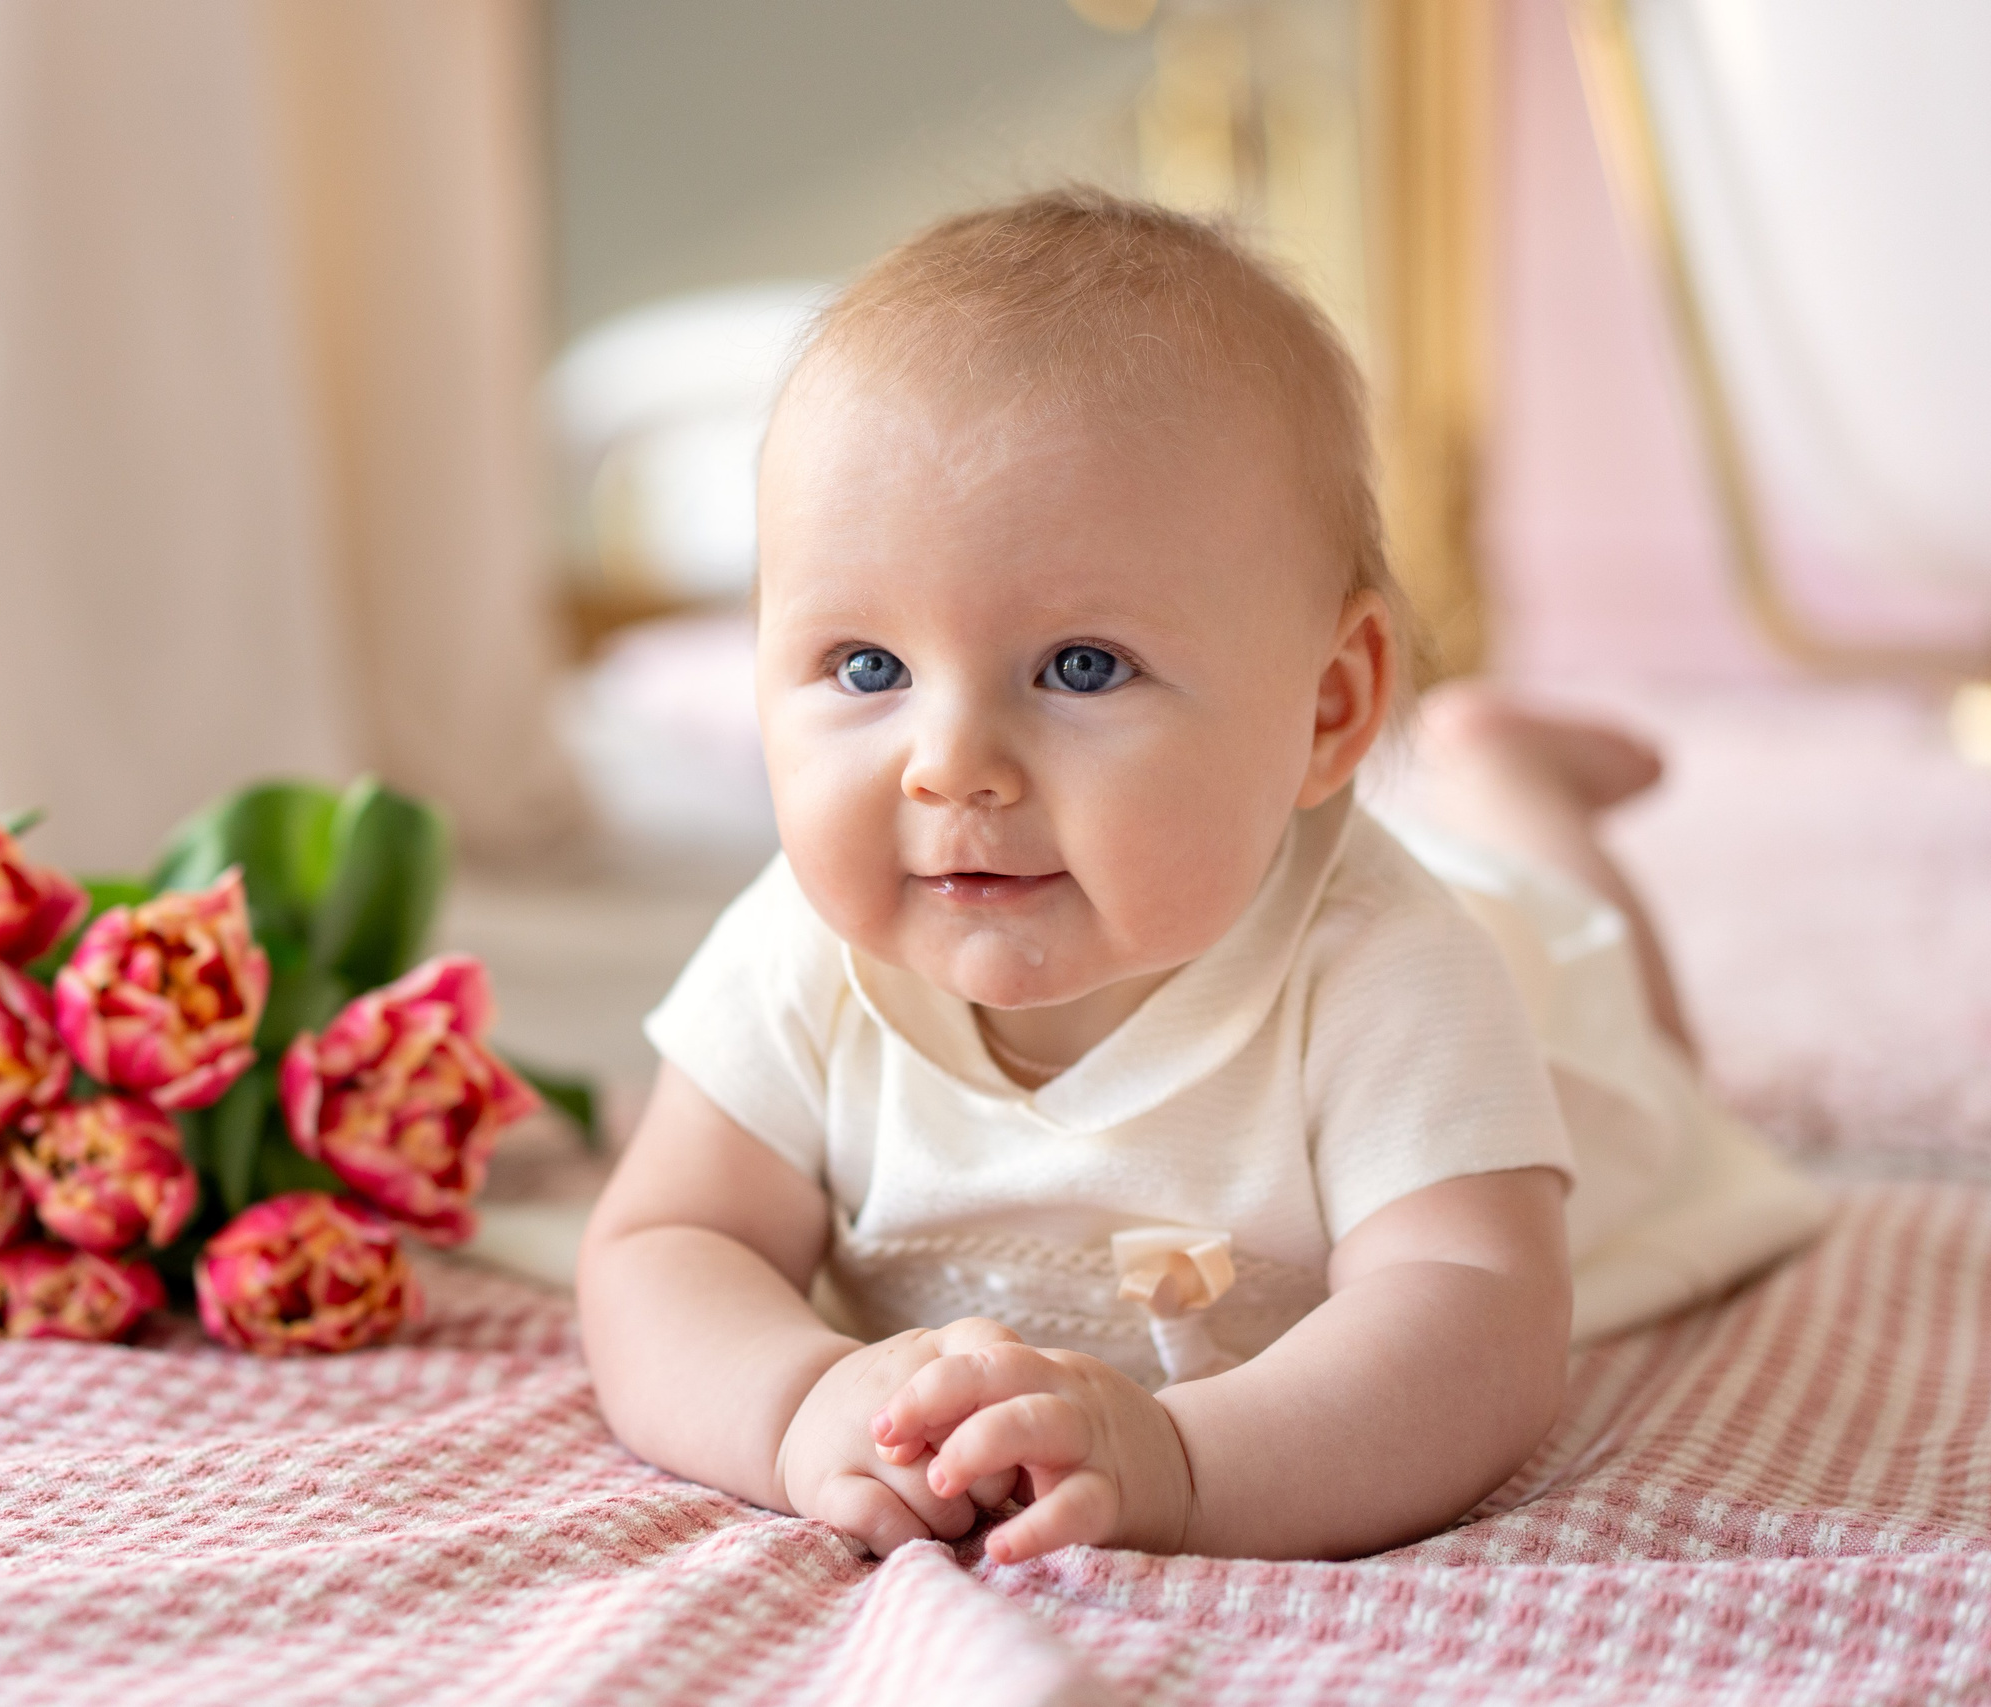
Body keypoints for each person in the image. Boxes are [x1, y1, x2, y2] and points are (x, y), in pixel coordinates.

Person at [575, 191, 1824, 1566]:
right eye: (867, 668)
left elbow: (1475, 1322)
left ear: (1331, 707)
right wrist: (797, 1400)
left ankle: (1514, 787)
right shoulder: (800, 954)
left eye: (1081, 667)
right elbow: (664, 1244)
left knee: (1612, 993)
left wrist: (1178, 1459)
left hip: (1547, 1013)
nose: (949, 767)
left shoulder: (1393, 976)